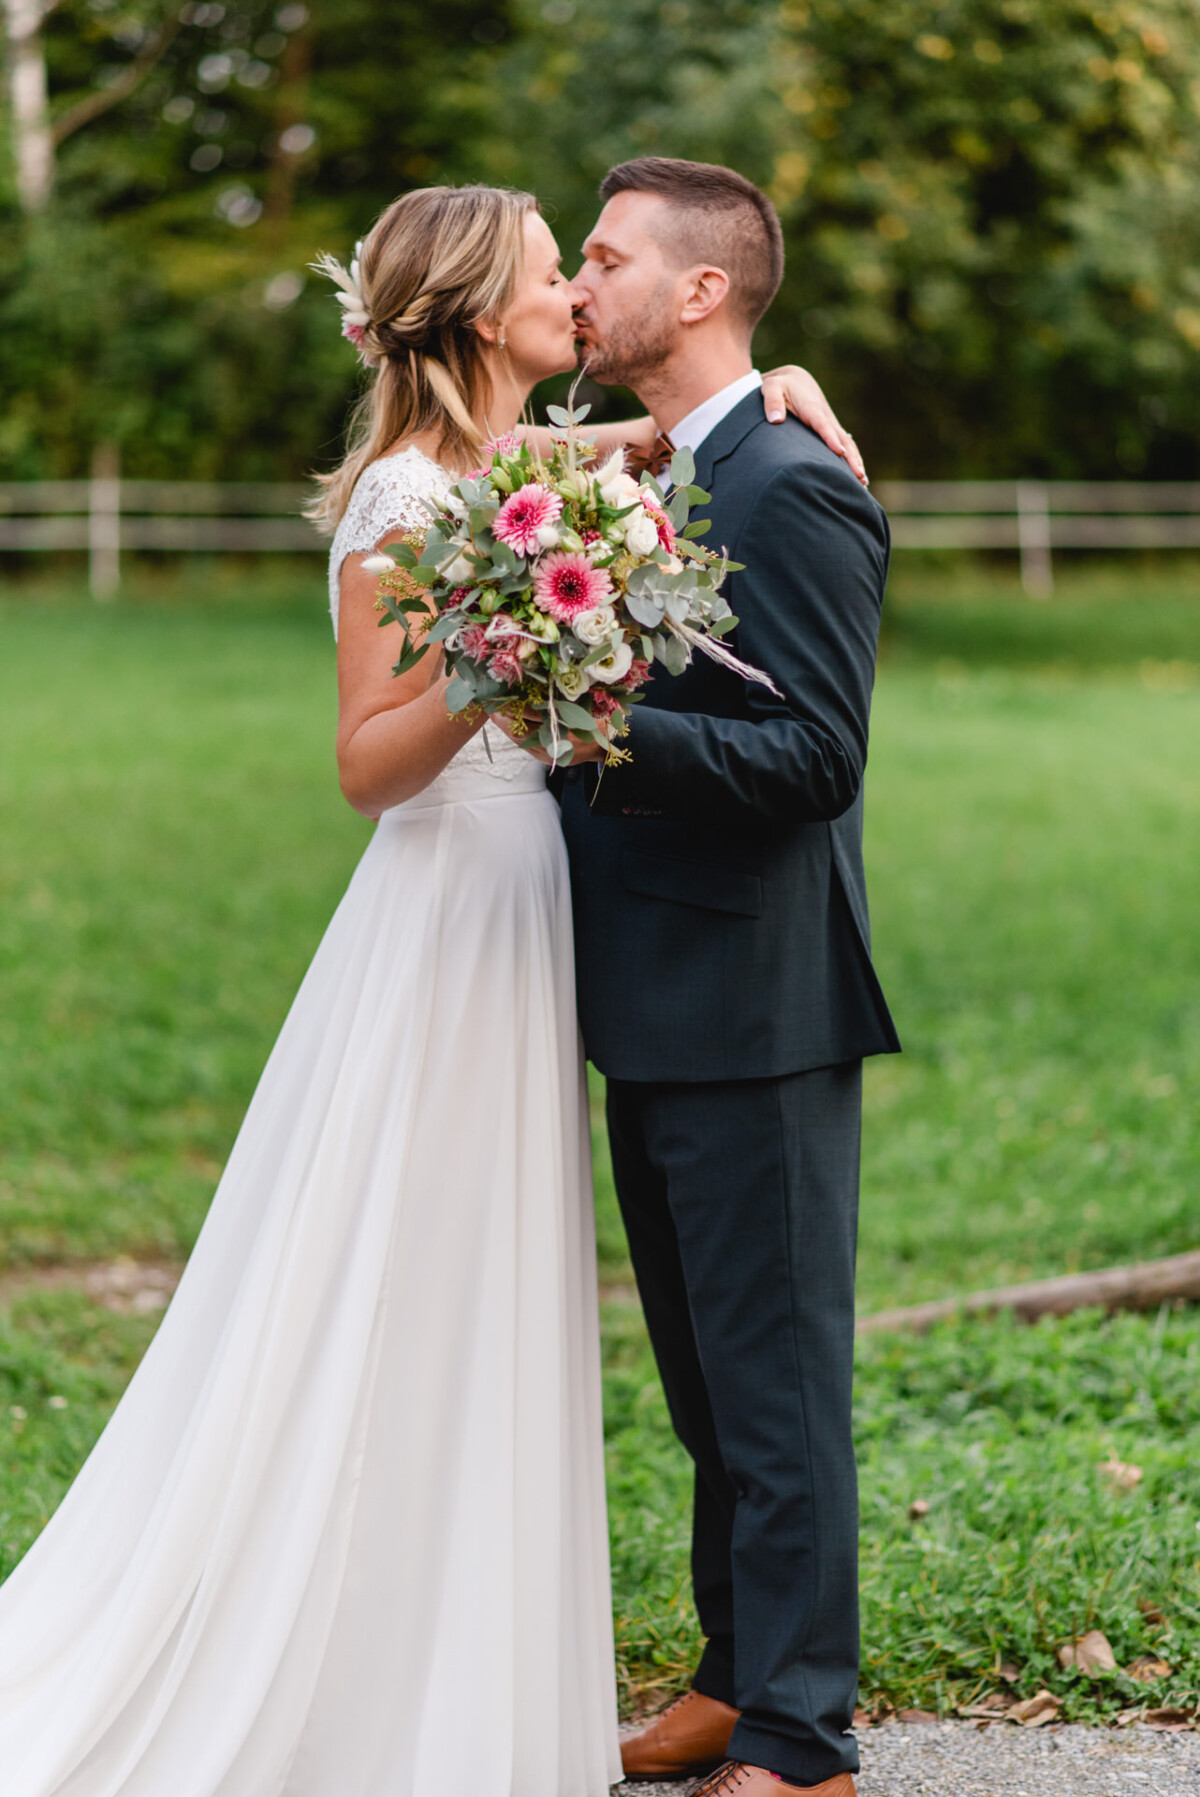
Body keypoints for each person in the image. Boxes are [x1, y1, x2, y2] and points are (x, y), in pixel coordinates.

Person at [0, 181, 858, 1797]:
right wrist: (497, 656)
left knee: (498, 1282)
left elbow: (671, 437)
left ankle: (495, 1654)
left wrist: (783, 383)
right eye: (554, 269)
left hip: (542, 918)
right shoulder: (407, 495)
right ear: (479, 312)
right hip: (451, 912)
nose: (576, 291)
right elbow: (363, 765)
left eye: (590, 264)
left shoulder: (512, 470)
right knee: (404, 1268)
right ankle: (363, 1659)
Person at [546, 158, 901, 1797]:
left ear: (700, 289)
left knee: (775, 1393)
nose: (579, 284)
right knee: (705, 1386)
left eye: (604, 257)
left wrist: (591, 721)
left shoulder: (792, 486)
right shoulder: (672, 463)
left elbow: (820, 756)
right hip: (652, 992)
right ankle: (733, 1673)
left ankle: (804, 1739)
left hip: (757, 1005)